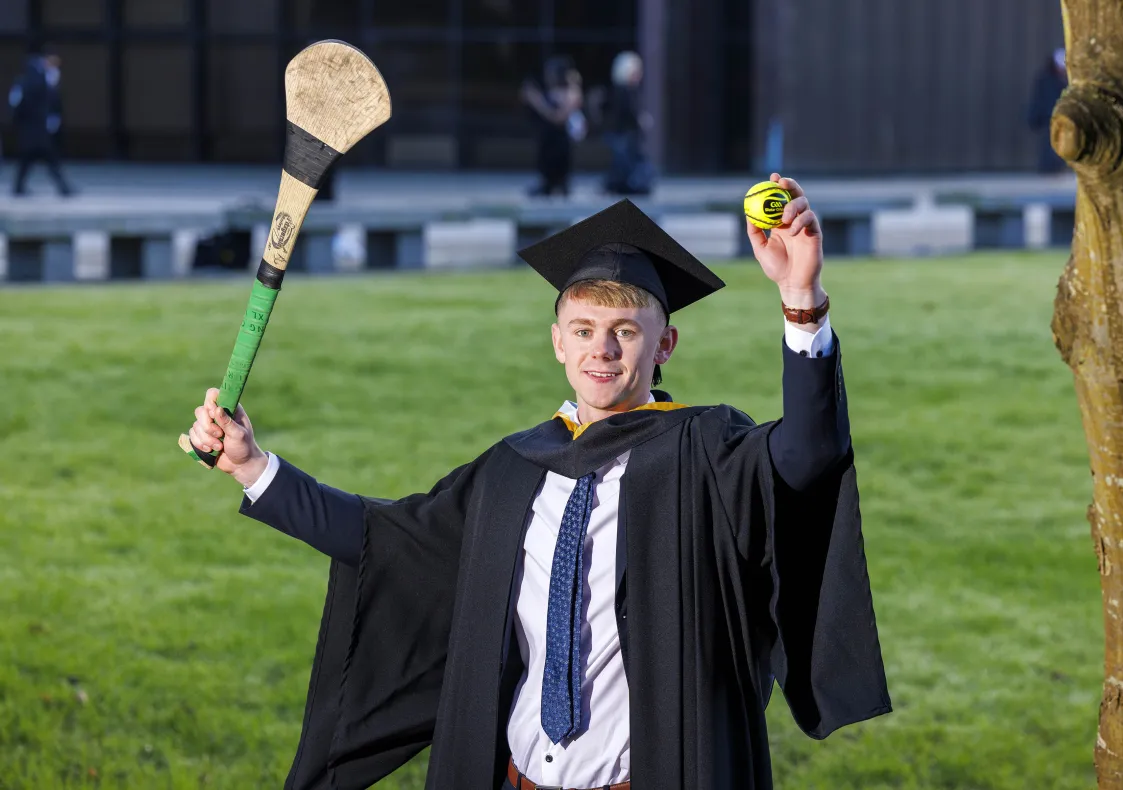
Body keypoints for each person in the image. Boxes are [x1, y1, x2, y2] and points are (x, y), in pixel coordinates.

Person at [185, 176, 891, 790]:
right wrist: (252, 466)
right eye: (582, 330)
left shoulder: (706, 452)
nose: (602, 350)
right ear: (557, 342)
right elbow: (387, 540)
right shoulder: (515, 469)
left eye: (625, 330)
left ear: (665, 344)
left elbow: (806, 454)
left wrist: (802, 297)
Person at [8, 48, 74, 197]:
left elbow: (15, 104)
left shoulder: (23, 83)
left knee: (28, 160)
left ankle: (19, 187)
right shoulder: (39, 83)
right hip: (38, 130)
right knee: (49, 159)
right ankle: (63, 188)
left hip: (30, 130)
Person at [521, 56, 583, 198]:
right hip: (548, 138)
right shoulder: (551, 91)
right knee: (546, 161)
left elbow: (559, 117)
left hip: (560, 140)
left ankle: (559, 184)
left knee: (559, 163)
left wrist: (537, 101)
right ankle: (547, 184)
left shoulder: (570, 91)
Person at [602, 51, 653, 196]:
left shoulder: (630, 90)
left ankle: (622, 185)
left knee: (627, 162)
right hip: (623, 133)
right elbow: (626, 112)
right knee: (624, 163)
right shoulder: (622, 90)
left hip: (628, 134)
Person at [1027, 47, 1070, 174]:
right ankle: (1048, 169)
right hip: (1049, 117)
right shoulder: (1045, 79)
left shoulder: (1066, 81)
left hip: (1063, 117)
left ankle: (1059, 168)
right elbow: (1040, 99)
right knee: (1050, 143)